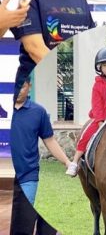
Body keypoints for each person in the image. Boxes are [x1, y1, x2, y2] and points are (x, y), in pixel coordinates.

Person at [10, 78, 72, 235]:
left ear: (29, 86)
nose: (18, 91)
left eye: (22, 86)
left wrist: (66, 162)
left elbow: (49, 140)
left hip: (27, 175)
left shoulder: (38, 112)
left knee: (24, 224)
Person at [66, 46, 106, 176]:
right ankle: (75, 162)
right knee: (86, 134)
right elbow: (96, 104)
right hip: (101, 118)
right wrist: (100, 120)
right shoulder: (98, 84)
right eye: (105, 65)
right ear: (99, 67)